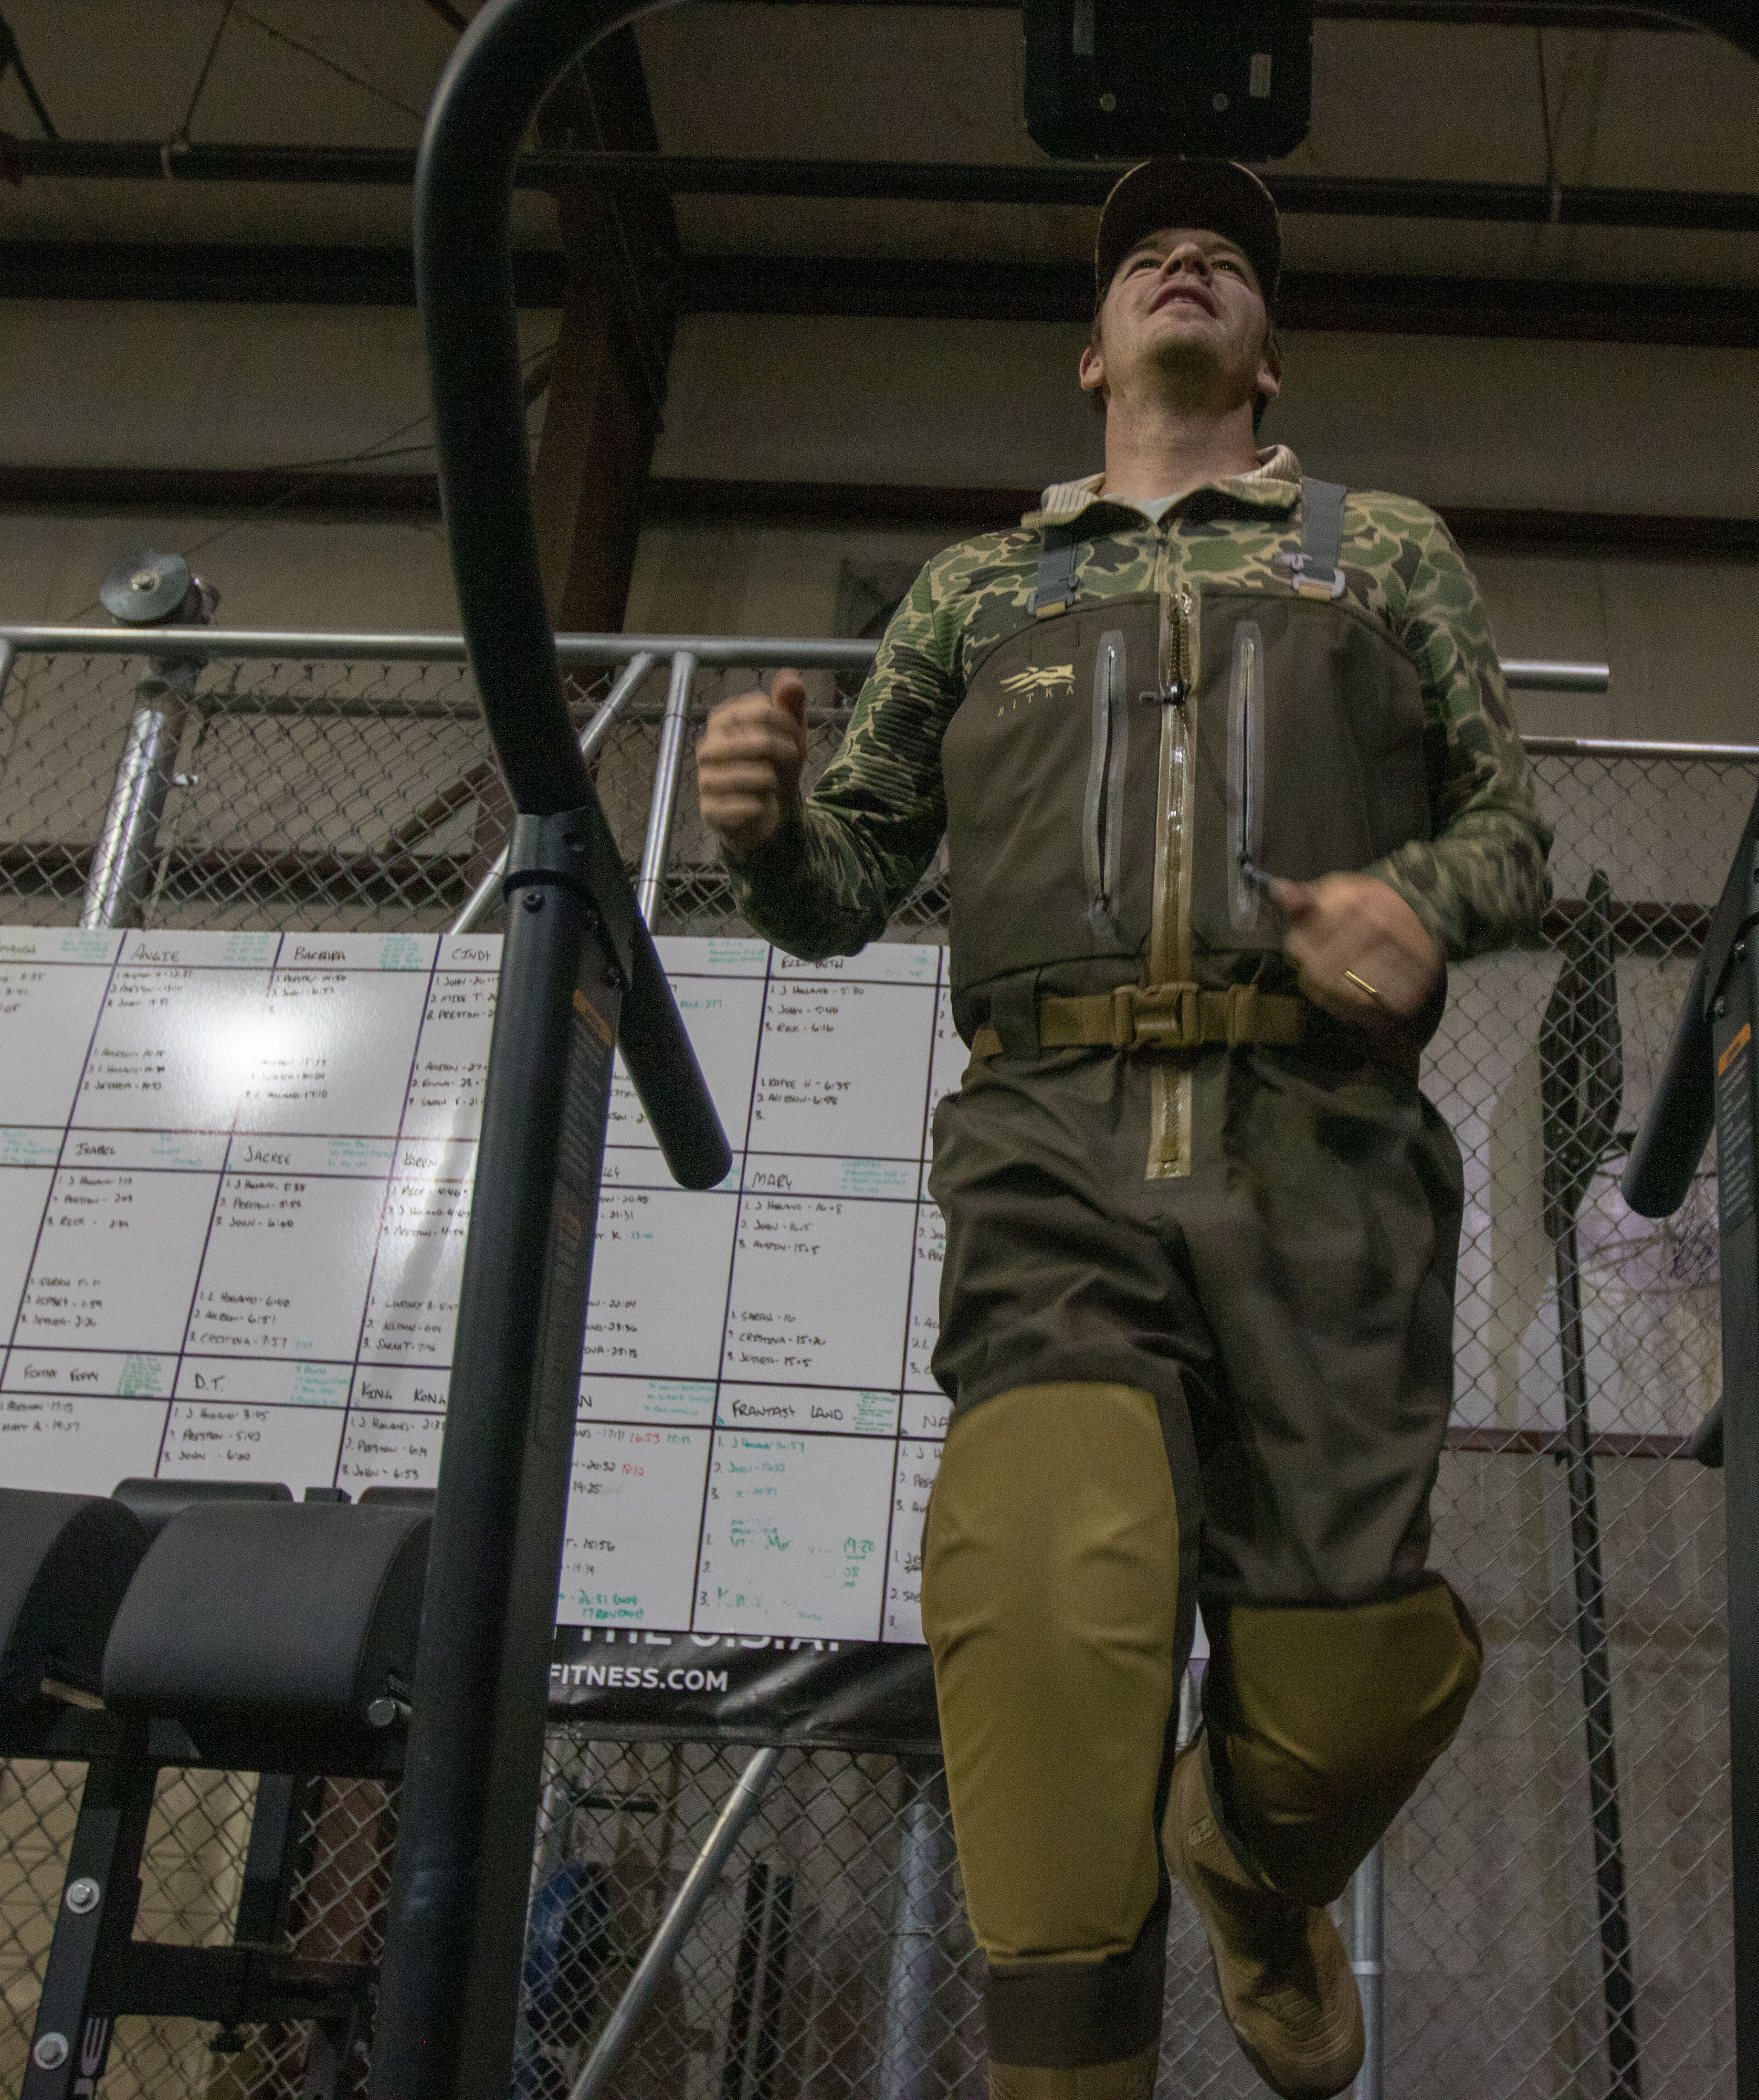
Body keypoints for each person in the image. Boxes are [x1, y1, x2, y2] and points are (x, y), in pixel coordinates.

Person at [696, 159, 1551, 2100]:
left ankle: (1253, 1866)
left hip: (1319, 1147)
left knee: (1349, 1681)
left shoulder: (1381, 552)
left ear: (1266, 351)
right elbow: (842, 890)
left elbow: (1513, 833)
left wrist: (1426, 904)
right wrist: (760, 832)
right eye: (1153, 258)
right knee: (1054, 1597)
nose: (1188, 261)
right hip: (1051, 1144)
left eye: (1227, 260)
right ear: (1095, 356)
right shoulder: (978, 595)